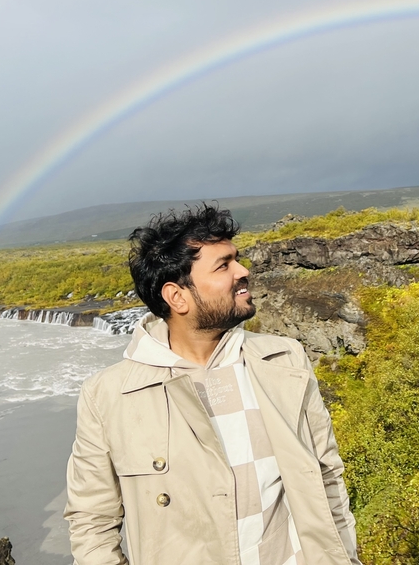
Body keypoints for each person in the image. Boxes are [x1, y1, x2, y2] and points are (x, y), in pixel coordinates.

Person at [64, 204, 361, 565]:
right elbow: (92, 521)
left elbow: (327, 477)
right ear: (177, 297)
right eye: (223, 265)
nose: (243, 271)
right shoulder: (108, 396)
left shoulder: (285, 361)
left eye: (237, 259)